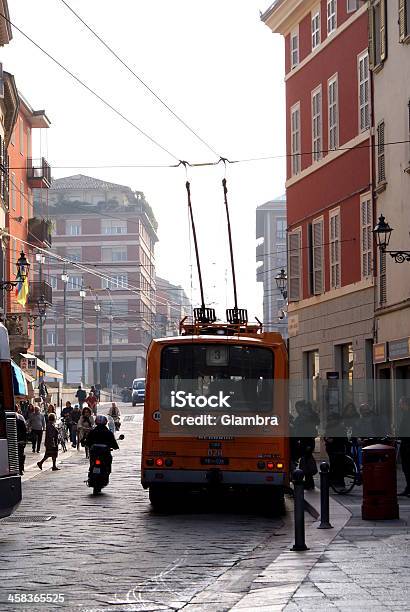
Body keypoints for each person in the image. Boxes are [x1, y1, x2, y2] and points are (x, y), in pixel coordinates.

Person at [292, 400, 318, 490]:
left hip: (307, 441)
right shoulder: (304, 416)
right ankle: (309, 482)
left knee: (306, 460)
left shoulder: (306, 416)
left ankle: (309, 483)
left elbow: (303, 429)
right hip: (306, 441)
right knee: (306, 460)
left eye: (298, 407)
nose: (297, 409)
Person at [398, 396, 410, 497]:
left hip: (407, 445)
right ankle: (408, 487)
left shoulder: (407, 416)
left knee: (407, 467)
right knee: (406, 468)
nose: (399, 406)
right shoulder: (405, 415)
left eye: (400, 404)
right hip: (406, 444)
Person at [16, 409, 27, 475]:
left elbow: (24, 432)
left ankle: (20, 469)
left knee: (20, 455)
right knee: (21, 455)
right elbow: (25, 432)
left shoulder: (20, 421)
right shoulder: (21, 421)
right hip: (20, 441)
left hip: (20, 441)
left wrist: (24, 441)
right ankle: (20, 469)